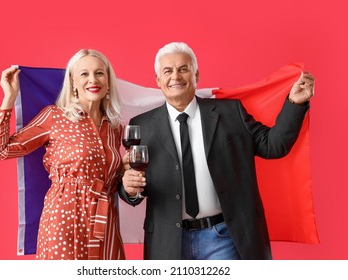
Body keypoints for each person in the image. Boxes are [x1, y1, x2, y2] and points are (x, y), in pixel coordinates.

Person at [118, 42, 315, 260]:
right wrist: (129, 188)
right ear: (158, 80)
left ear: (196, 74)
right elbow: (135, 187)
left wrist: (294, 103)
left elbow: (273, 145)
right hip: (168, 243)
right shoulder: (142, 126)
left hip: (225, 238)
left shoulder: (231, 112)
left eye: (183, 68)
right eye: (168, 71)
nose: (176, 76)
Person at [0, 49, 126, 260]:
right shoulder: (55, 117)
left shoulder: (115, 127)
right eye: (84, 74)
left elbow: (114, 178)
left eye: (99, 73)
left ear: (108, 81)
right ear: (73, 82)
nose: (93, 79)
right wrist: (9, 98)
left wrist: (125, 170)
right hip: (65, 219)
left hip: (105, 220)